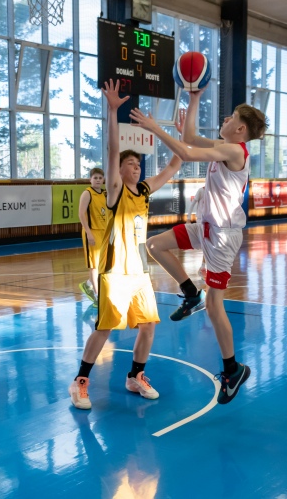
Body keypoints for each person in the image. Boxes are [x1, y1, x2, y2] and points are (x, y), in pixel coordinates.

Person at [130, 88, 267, 405]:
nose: (225, 118)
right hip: (205, 228)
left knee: (216, 305)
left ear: (240, 128)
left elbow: (187, 152)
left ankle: (232, 370)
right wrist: (193, 98)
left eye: (231, 117)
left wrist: (155, 128)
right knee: (155, 245)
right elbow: (190, 137)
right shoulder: (224, 146)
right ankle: (191, 293)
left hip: (222, 237)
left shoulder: (234, 151)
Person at [68, 80, 182, 410]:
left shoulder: (143, 190)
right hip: (115, 272)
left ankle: (135, 376)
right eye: (131, 163)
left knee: (148, 327)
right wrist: (112, 111)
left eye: (138, 164)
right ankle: (80, 382)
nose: (137, 167)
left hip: (139, 273)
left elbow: (174, 165)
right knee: (104, 329)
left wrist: (177, 134)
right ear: (118, 171)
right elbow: (112, 149)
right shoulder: (115, 191)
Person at [78, 167, 107, 307]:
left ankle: (88, 284)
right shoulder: (87, 193)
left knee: (104, 265)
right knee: (94, 267)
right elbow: (81, 214)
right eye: (95, 178)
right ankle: (97, 296)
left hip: (104, 232)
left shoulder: (105, 194)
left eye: (100, 178)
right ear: (90, 179)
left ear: (103, 180)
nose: (98, 180)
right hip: (92, 232)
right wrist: (88, 232)